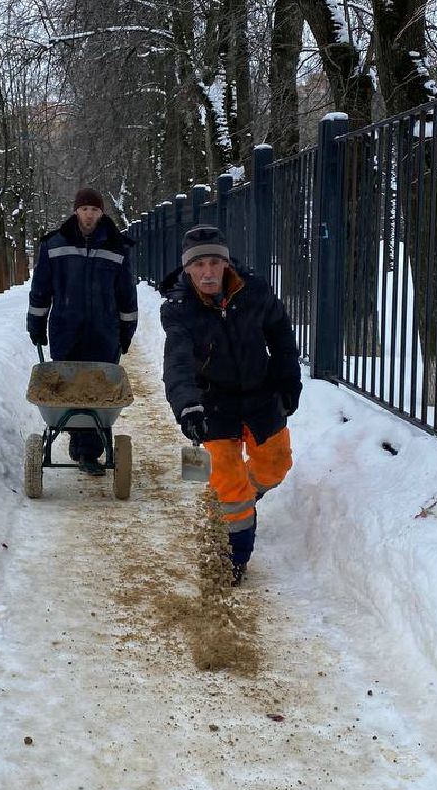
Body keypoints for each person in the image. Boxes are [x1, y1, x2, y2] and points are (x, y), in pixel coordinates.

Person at [160, 224, 301, 583]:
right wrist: (188, 406)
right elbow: (177, 362)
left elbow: (281, 334)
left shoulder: (254, 292)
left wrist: (287, 380)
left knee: (275, 466)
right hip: (213, 404)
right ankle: (232, 560)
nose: (207, 272)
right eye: (199, 264)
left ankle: (243, 501)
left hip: (261, 396)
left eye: (214, 262)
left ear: (226, 264)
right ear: (187, 268)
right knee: (228, 483)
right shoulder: (179, 309)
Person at [26, 186, 139, 475]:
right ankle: (83, 446)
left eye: (95, 210)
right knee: (70, 389)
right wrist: (36, 324)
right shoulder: (54, 244)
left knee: (99, 391)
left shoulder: (117, 247)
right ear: (76, 211)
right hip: (66, 329)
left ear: (102, 213)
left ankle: (88, 451)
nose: (89, 215)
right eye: (85, 209)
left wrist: (127, 331)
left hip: (104, 331)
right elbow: (41, 290)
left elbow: (126, 295)